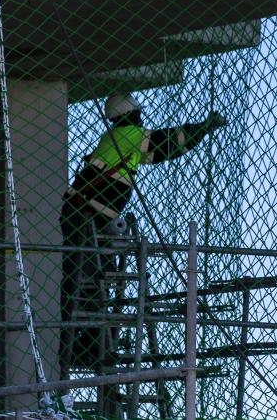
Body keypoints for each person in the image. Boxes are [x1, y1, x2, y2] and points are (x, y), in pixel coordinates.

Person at [59, 92, 228, 372]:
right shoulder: (128, 135)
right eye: (137, 112)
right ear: (129, 115)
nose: (141, 117)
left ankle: (86, 344)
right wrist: (203, 128)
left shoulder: (120, 138)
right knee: (90, 282)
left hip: (86, 218)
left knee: (89, 281)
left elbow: (158, 150)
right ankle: (85, 346)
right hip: (85, 217)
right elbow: (169, 144)